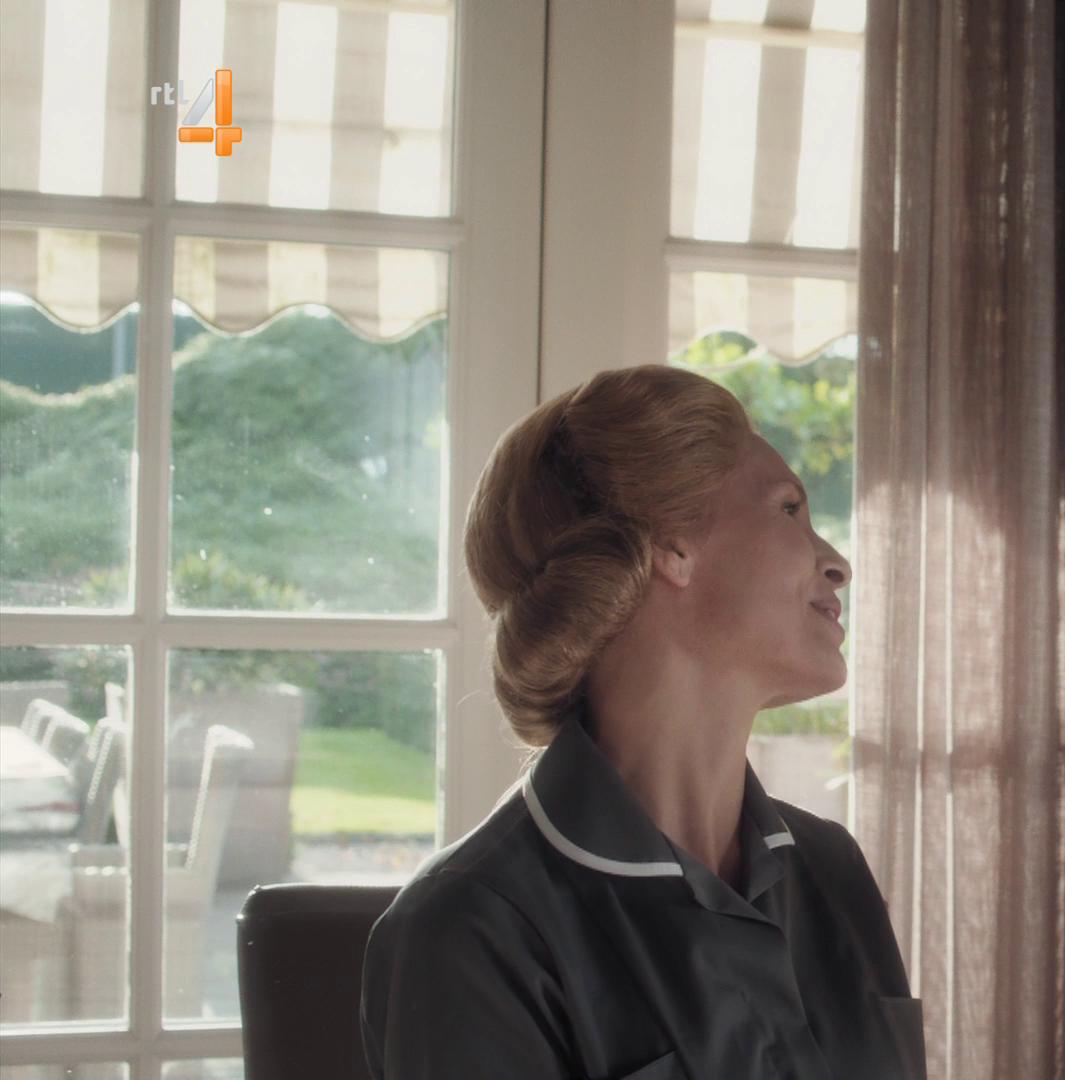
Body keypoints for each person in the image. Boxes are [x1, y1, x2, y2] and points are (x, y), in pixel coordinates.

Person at [360, 365, 926, 1080]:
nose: (837, 563)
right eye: (789, 509)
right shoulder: (469, 929)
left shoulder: (831, 868)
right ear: (670, 545)